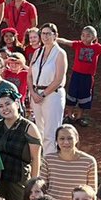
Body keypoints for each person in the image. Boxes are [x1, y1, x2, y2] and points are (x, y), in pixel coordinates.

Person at [0, 88, 42, 200]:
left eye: (8, 104)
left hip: (18, 178)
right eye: (0, 106)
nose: (4, 108)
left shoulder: (29, 128)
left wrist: (33, 184)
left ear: (17, 104)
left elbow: (36, 159)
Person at [28, 23, 68, 153]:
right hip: (35, 94)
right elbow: (29, 75)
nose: (45, 36)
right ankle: (39, 162)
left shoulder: (60, 53)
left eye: (48, 33)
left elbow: (59, 79)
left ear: (55, 35)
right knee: (39, 130)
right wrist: (33, 93)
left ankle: (50, 163)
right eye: (43, 33)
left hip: (52, 95)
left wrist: (43, 94)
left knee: (51, 132)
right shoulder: (37, 52)